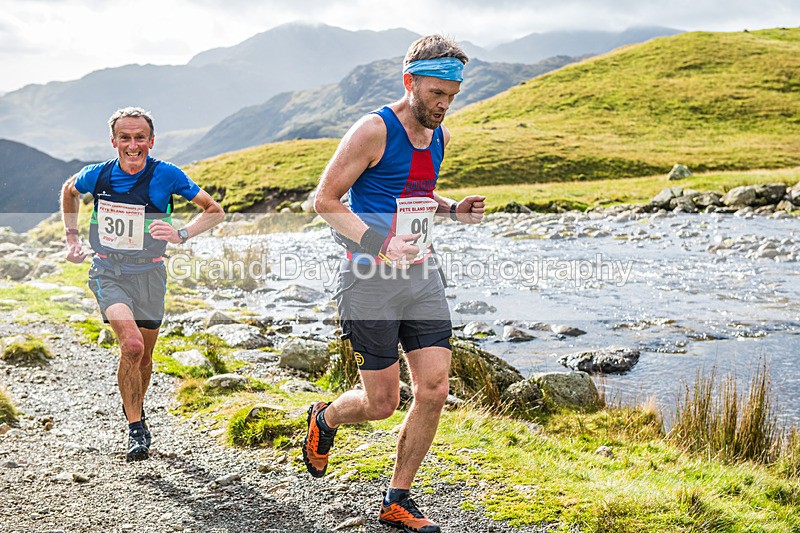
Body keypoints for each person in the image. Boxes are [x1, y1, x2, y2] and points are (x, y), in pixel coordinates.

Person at [307, 35, 485, 532]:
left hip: (422, 277)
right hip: (368, 281)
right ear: (410, 82)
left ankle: (397, 499)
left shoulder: (440, 135)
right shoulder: (372, 131)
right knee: (382, 404)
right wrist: (378, 246)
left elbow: (418, 195)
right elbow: (325, 201)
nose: (445, 104)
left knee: (433, 390)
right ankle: (325, 419)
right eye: (436, 93)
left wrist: (452, 209)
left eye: (452, 94)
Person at [60, 107, 224, 462]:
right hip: (108, 272)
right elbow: (68, 191)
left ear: (151, 140)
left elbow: (213, 210)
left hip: (150, 275)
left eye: (139, 138)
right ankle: (135, 426)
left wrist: (181, 233)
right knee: (132, 346)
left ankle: (138, 408)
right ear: (114, 141)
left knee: (146, 356)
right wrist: (71, 237)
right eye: (125, 137)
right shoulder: (97, 175)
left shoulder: (167, 175)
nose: (132, 145)